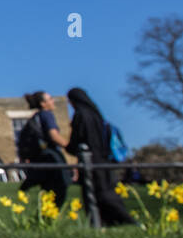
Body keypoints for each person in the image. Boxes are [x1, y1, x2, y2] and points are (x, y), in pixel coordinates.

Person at [64, 87, 136, 226]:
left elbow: (76, 142)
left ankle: (124, 221)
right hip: (104, 159)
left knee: (98, 193)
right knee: (106, 191)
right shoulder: (96, 114)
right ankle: (109, 223)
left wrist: (68, 146)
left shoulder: (80, 115)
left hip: (90, 160)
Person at [17, 92, 69, 205]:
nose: (53, 101)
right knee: (59, 190)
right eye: (50, 99)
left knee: (48, 192)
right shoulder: (46, 114)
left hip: (40, 159)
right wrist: (69, 146)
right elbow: (53, 135)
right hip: (51, 158)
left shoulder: (36, 117)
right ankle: (50, 219)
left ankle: (46, 219)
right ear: (43, 103)